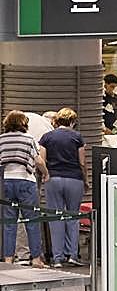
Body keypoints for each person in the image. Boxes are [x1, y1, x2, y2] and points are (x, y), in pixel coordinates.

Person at [37, 108, 87, 267]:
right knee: (73, 217)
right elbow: (82, 162)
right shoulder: (77, 137)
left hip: (54, 179)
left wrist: (46, 175)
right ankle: (72, 255)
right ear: (72, 122)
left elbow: (42, 160)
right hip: (74, 179)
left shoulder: (46, 137)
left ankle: (57, 258)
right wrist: (85, 180)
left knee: (56, 217)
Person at [0, 111, 48, 267]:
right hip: (26, 182)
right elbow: (38, 160)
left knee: (9, 223)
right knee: (31, 220)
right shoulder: (29, 139)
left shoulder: (2, 140)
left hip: (7, 182)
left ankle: (8, 259)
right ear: (23, 124)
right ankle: (35, 259)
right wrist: (46, 173)